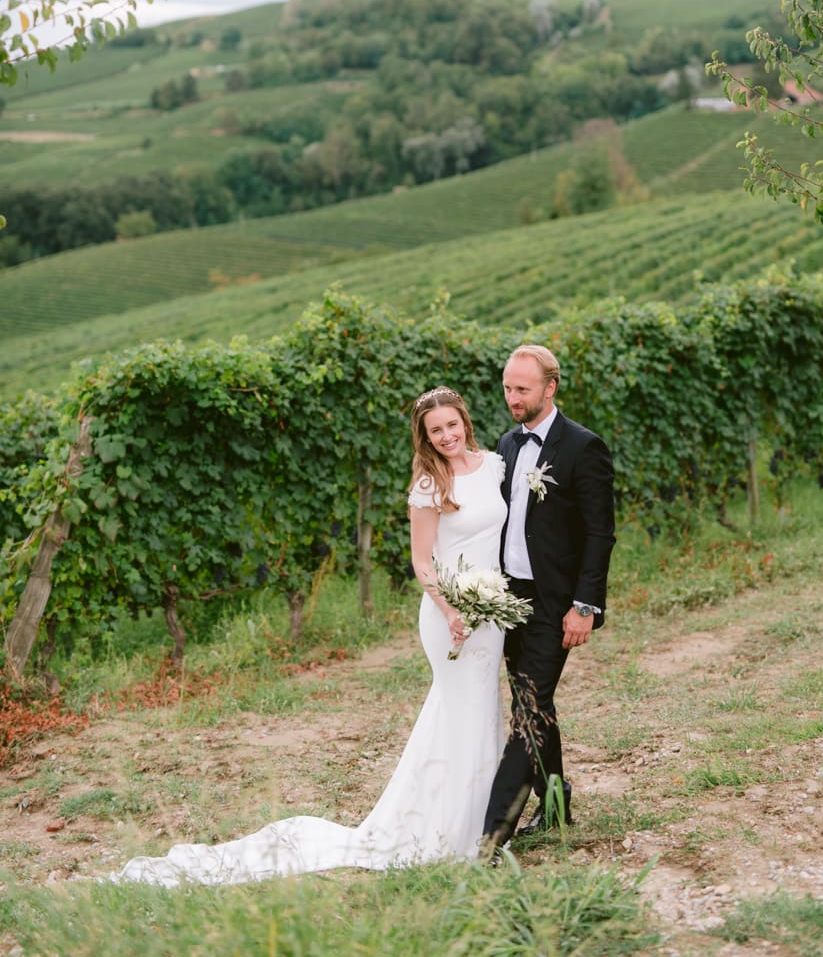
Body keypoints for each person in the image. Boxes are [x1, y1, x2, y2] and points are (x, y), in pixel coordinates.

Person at [108, 387, 507, 886]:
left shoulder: (493, 466)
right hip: (447, 613)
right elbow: (421, 562)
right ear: (424, 437)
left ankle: (483, 823)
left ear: (465, 421)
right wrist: (449, 610)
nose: (447, 436)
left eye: (452, 425)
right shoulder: (430, 483)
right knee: (462, 709)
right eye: (435, 430)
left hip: (490, 611)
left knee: (479, 711)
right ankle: (455, 832)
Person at [481, 344, 615, 855]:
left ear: (550, 388)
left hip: (555, 602)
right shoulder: (507, 445)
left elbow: (600, 533)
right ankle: (556, 806)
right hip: (509, 601)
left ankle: (492, 837)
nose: (513, 398)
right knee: (532, 702)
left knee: (527, 713)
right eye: (508, 388)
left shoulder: (584, 448)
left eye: (523, 389)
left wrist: (585, 605)